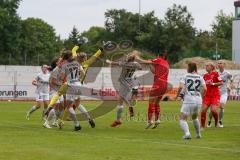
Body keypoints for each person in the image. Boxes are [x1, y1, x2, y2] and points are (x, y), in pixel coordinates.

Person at [106, 51, 142, 127]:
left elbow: (116, 63)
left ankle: (118, 120)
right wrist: (136, 61)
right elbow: (140, 68)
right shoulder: (136, 64)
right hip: (129, 83)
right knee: (122, 98)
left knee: (120, 101)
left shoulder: (125, 64)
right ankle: (129, 107)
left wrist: (109, 61)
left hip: (124, 83)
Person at [135, 51, 169, 129]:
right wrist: (151, 63)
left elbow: (144, 62)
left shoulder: (158, 60)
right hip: (165, 85)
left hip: (158, 83)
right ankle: (157, 119)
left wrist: (138, 58)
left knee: (151, 101)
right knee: (157, 103)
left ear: (158, 55)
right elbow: (154, 71)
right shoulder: (166, 63)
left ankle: (149, 121)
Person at [175, 62, 207, 139]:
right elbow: (205, 89)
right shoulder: (200, 77)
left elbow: (180, 87)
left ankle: (187, 134)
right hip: (198, 99)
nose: (186, 68)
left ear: (189, 68)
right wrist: (201, 96)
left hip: (189, 99)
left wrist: (177, 96)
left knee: (182, 119)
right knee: (195, 117)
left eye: (187, 67)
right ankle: (198, 134)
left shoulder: (185, 76)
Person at [59, 50, 85, 131]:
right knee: (77, 104)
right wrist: (79, 80)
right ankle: (88, 118)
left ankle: (77, 124)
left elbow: (62, 78)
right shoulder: (77, 63)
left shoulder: (65, 65)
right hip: (78, 85)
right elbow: (83, 73)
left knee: (68, 106)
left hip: (71, 86)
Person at [207, 60, 234, 128]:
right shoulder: (215, 73)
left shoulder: (227, 73)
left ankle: (220, 121)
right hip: (215, 93)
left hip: (223, 93)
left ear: (224, 64)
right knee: (212, 109)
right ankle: (209, 121)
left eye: (220, 63)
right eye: (218, 63)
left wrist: (231, 86)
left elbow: (232, 80)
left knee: (222, 107)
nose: (219, 64)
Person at [201, 62, 223, 128]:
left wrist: (213, 84)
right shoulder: (204, 76)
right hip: (207, 96)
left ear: (212, 67)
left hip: (215, 95)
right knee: (203, 110)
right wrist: (201, 95)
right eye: (206, 66)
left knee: (213, 110)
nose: (206, 67)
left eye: (207, 66)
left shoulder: (216, 74)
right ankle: (202, 126)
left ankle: (216, 122)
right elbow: (203, 87)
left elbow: (221, 82)